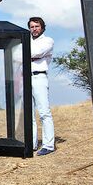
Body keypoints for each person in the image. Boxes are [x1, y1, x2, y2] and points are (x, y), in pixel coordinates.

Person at [29, 16, 55, 156]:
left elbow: (37, 53)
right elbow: (16, 56)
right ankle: (31, 143)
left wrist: (28, 55)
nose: (34, 29)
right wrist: (30, 56)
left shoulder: (48, 40)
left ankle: (48, 145)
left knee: (44, 112)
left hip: (39, 76)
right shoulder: (26, 40)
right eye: (32, 27)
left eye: (37, 26)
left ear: (42, 27)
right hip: (25, 77)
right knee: (29, 114)